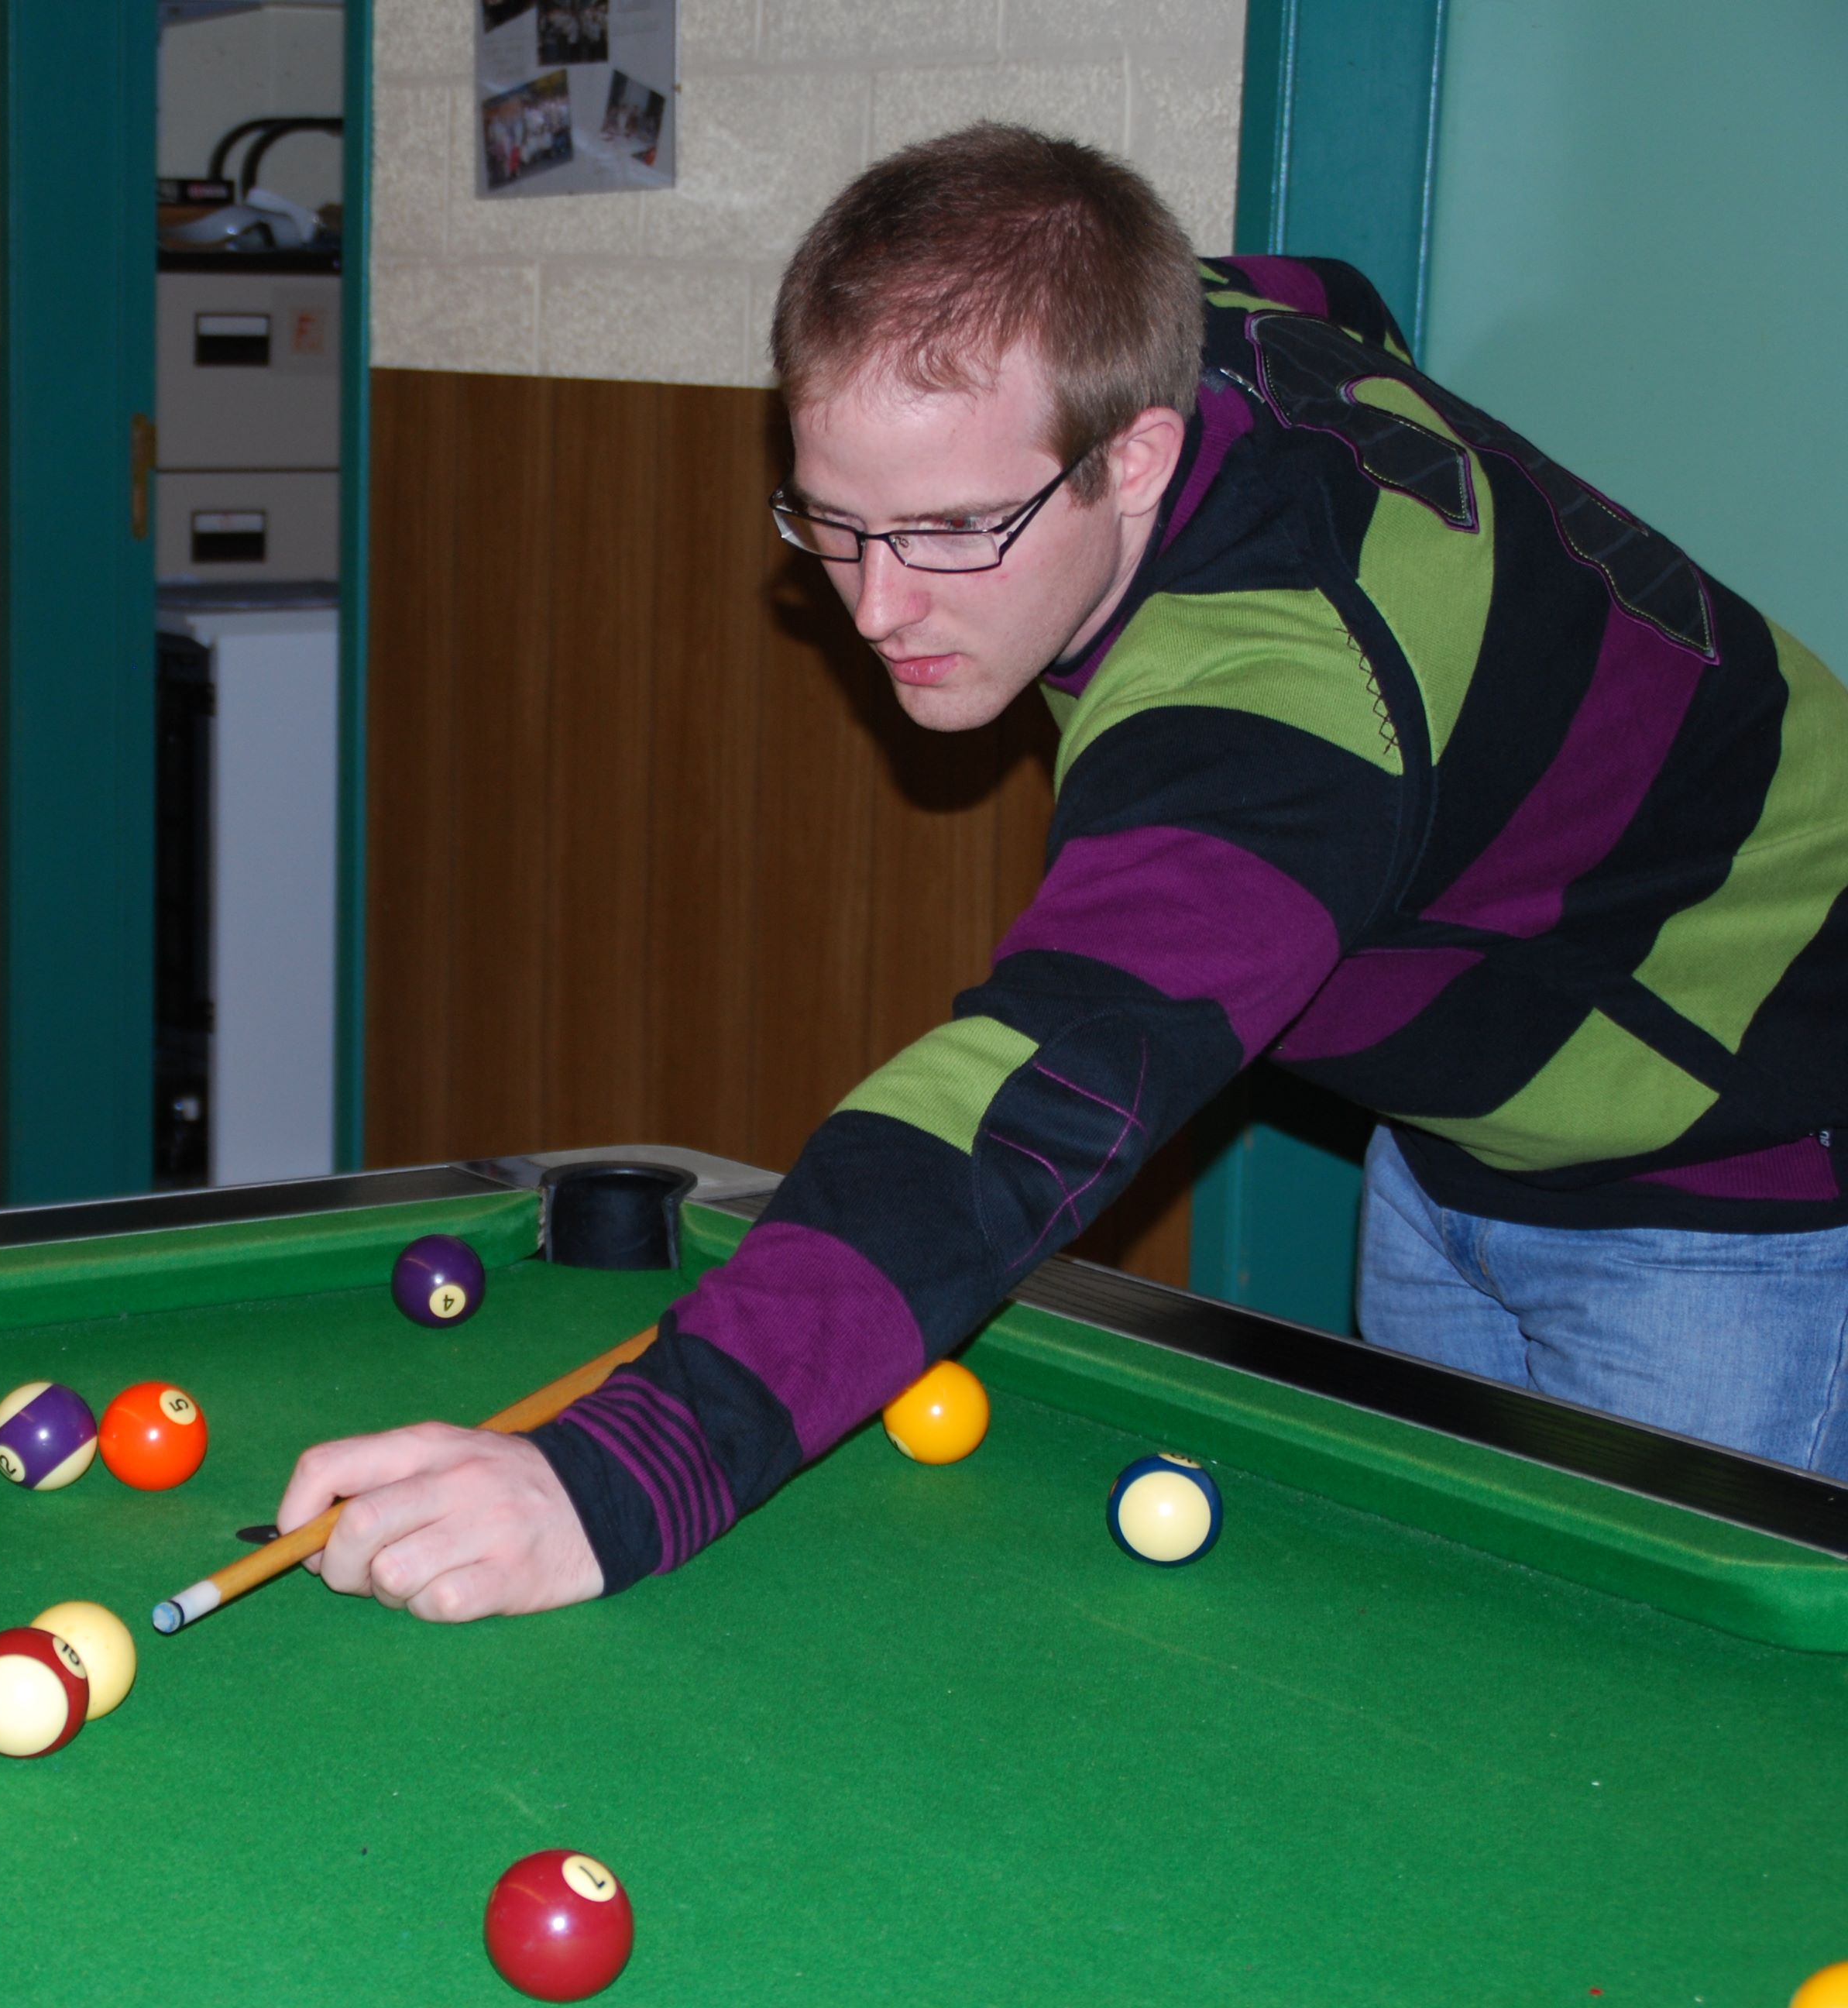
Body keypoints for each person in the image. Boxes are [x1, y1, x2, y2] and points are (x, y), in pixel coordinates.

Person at [280, 121, 1848, 1623]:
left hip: (1741, 1176)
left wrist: (621, 1478)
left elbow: (1037, 1092)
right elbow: (1323, 298)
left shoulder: (1274, 708)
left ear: (1137, 456)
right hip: (1452, 1140)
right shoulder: (1180, 330)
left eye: (957, 528)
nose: (879, 606)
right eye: (833, 523)